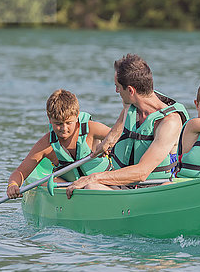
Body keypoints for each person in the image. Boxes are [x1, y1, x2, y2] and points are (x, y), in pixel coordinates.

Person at [65, 54, 188, 197]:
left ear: (131, 90)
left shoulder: (169, 122)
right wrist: (108, 140)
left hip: (152, 191)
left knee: (91, 183)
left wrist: (94, 176)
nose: (116, 91)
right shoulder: (131, 102)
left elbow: (142, 172)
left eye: (118, 87)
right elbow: (123, 117)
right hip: (125, 188)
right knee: (91, 187)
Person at [6, 89, 124, 199]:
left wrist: (110, 147)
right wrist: (13, 185)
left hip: (104, 184)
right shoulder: (46, 144)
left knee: (91, 187)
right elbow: (20, 172)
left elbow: (122, 139)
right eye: (58, 123)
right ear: (49, 118)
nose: (64, 128)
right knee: (45, 182)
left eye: (69, 122)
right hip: (71, 189)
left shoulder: (91, 129)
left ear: (77, 116)